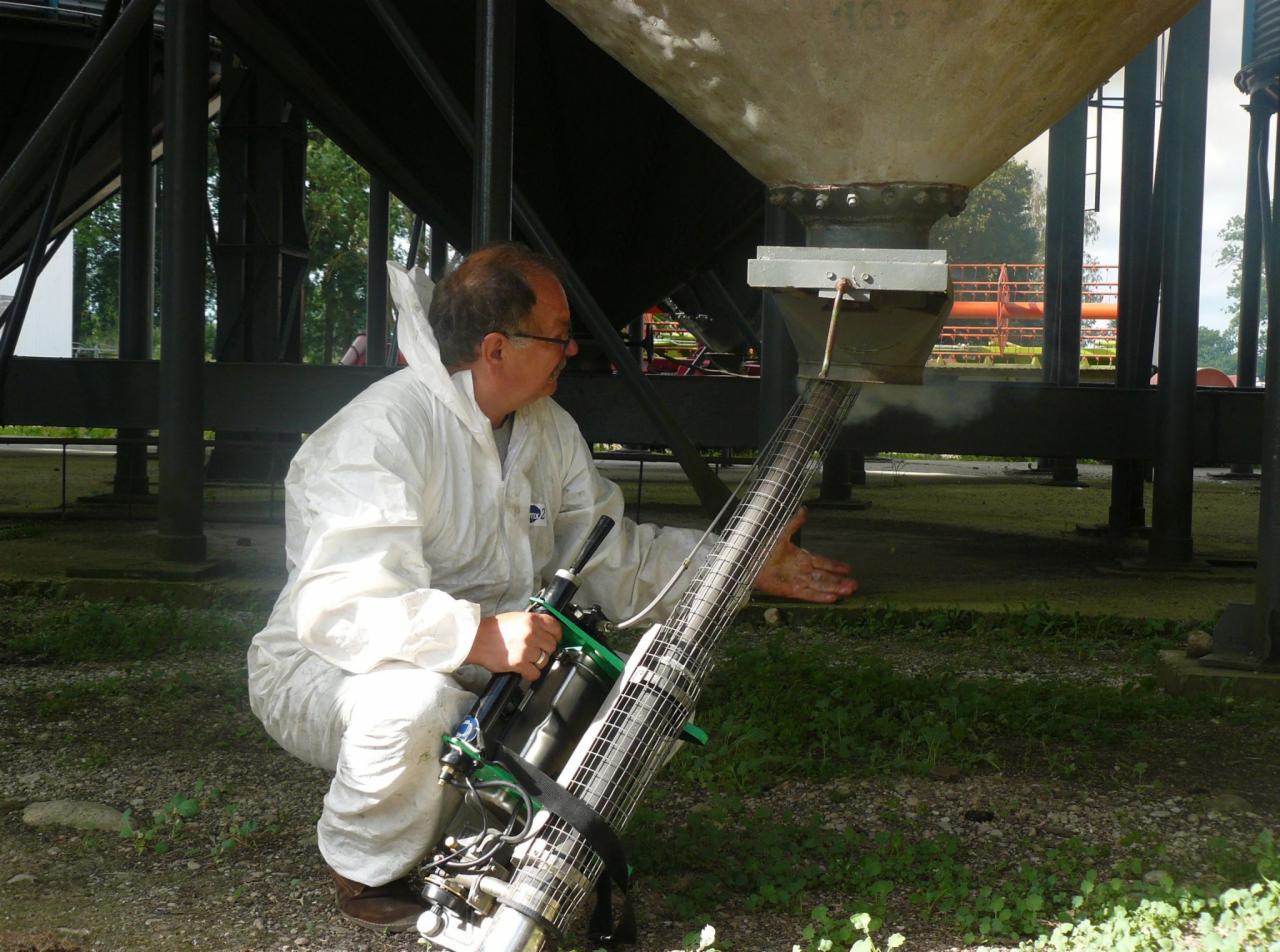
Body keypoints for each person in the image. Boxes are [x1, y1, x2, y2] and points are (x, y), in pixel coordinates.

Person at [247, 243, 856, 932]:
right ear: (497, 349)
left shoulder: (547, 430)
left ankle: (470, 840)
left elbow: (608, 554)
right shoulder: (379, 435)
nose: (570, 351)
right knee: (415, 706)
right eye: (558, 336)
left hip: (489, 665)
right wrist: (474, 634)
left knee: (586, 704)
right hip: (330, 669)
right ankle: (364, 869)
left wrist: (735, 563)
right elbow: (342, 608)